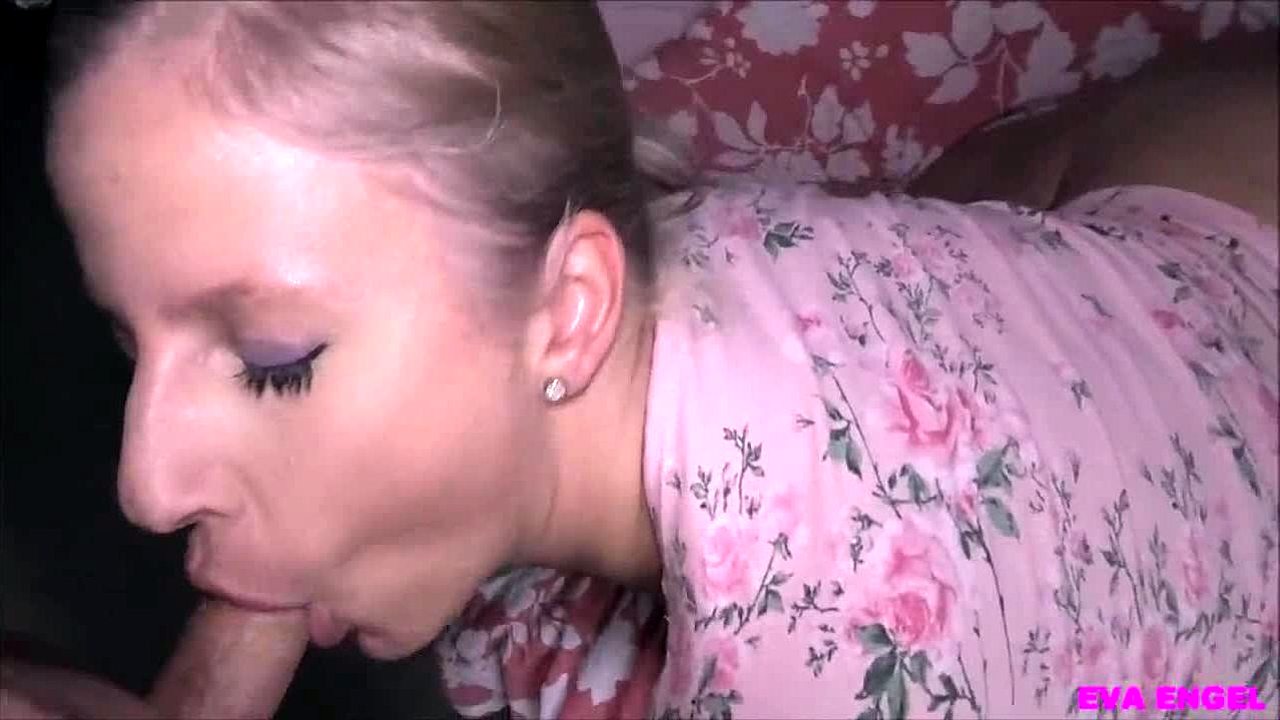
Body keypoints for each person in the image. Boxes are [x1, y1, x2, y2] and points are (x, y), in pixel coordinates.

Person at [4, 1, 1276, 718]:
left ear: (571, 310)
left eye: (274, 361)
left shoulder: (813, 673)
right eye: (133, 343)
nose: (144, 487)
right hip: (1201, 192)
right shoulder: (627, 246)